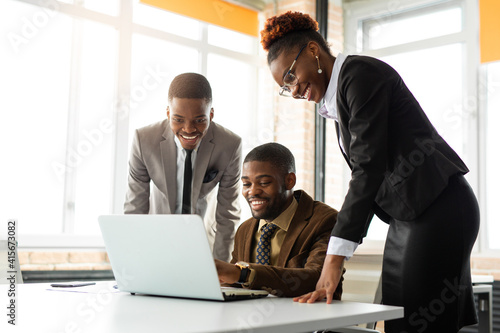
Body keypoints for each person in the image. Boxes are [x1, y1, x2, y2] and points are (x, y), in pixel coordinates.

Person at [260, 11, 480, 332]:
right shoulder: (341, 95)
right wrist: (338, 255)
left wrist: (334, 258)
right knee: (399, 318)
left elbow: (367, 168)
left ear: (311, 50)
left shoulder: (360, 75)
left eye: (290, 77)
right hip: (412, 214)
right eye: (285, 87)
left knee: (416, 322)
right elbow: (370, 172)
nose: (293, 91)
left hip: (439, 206)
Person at [124, 72, 242, 262]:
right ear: (168, 113)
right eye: (178, 119)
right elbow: (135, 209)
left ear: (211, 114)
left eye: (199, 120)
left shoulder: (229, 145)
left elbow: (227, 215)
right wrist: (131, 262)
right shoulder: (144, 140)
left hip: (204, 247)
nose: (188, 129)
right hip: (156, 244)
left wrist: (220, 267)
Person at [215, 142, 343, 298]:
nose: (253, 191)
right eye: (246, 184)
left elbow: (318, 279)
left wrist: (244, 274)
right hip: (253, 318)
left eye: (264, 183)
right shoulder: (245, 229)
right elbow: (235, 285)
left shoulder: (325, 220)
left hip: (304, 317)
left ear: (289, 180)